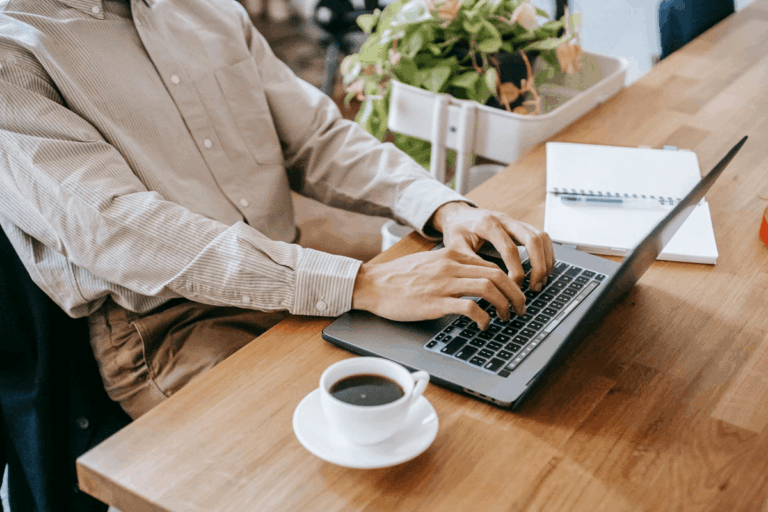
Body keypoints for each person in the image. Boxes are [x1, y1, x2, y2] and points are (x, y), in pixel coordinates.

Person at [0, 0, 554, 419]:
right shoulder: (15, 48)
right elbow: (118, 231)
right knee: (351, 445)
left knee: (486, 376)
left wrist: (442, 206)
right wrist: (359, 283)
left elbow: (316, 137)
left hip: (291, 266)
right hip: (173, 326)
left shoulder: (205, 7)